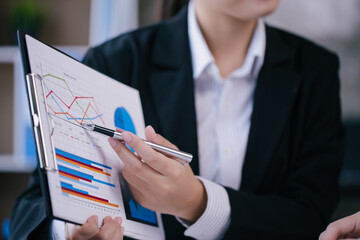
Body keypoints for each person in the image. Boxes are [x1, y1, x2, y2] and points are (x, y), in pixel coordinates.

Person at [10, 0, 345, 239]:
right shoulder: (115, 61)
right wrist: (68, 229)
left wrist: (196, 202)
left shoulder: (316, 71)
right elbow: (33, 206)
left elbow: (311, 219)